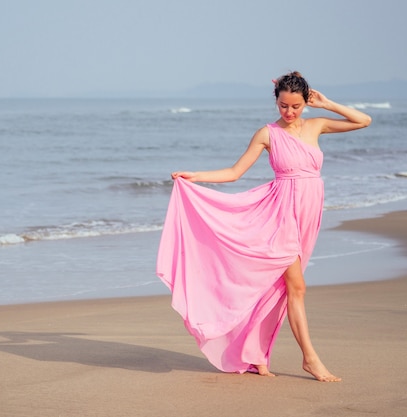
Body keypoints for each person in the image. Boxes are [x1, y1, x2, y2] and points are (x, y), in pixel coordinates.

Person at [156, 71, 371, 382]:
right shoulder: (267, 134)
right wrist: (196, 176)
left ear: (305, 103)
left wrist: (327, 103)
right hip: (280, 215)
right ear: (276, 102)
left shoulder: (316, 125)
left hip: (308, 215)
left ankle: (255, 354)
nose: (289, 112)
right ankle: (310, 359)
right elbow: (234, 172)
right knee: (297, 287)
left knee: (280, 289)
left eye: (296, 106)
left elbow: (364, 121)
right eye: (283, 106)